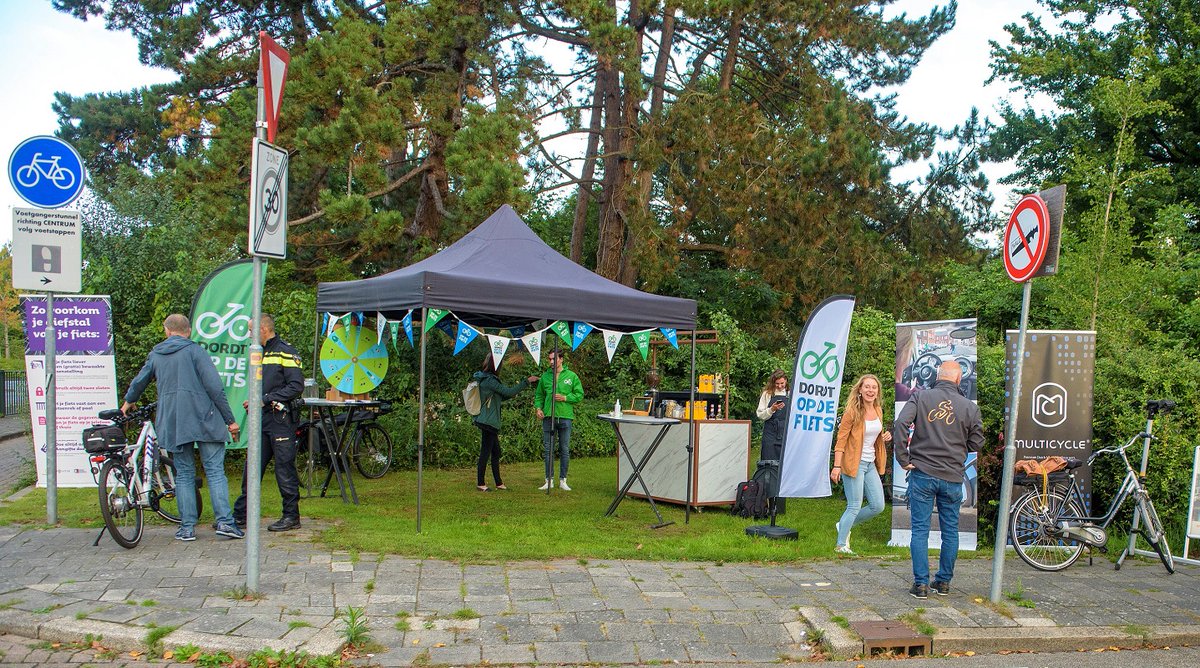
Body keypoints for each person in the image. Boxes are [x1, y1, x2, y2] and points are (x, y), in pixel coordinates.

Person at [121, 314, 242, 542]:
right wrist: (230, 420)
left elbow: (139, 381)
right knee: (215, 471)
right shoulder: (195, 351)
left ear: (167, 331)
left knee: (184, 474)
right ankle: (225, 523)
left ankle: (187, 528)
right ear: (189, 331)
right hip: (204, 417)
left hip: (174, 421)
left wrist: (128, 401)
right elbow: (215, 387)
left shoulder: (156, 354)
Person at [893, 360, 983, 599]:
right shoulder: (969, 407)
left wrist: (903, 457)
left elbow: (901, 423)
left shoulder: (921, 397)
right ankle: (943, 582)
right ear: (958, 379)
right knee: (950, 531)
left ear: (937, 375)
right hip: (952, 475)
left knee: (920, 530)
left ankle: (921, 584)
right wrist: (958, 445)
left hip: (922, 472)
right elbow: (977, 443)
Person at [233, 314, 305, 532]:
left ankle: (291, 516)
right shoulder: (259, 352)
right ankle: (241, 515)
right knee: (252, 467)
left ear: (263, 329)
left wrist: (265, 399)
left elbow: (296, 386)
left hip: (281, 420)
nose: (249, 335)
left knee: (284, 468)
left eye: (250, 330)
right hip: (262, 419)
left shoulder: (286, 351)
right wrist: (255, 400)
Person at [831, 374, 892, 554]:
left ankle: (843, 524)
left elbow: (873, 434)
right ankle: (841, 545)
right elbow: (841, 441)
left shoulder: (878, 410)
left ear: (877, 391)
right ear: (860, 389)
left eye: (874, 387)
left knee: (878, 506)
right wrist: (837, 466)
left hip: (870, 463)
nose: (870, 390)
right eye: (867, 387)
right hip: (853, 463)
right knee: (854, 505)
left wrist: (884, 436)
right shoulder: (852, 412)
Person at [473, 356, 539, 492]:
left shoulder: (485, 378)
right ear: (496, 365)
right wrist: (527, 381)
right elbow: (509, 392)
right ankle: (481, 483)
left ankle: (499, 483)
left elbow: (503, 395)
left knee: (496, 452)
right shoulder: (490, 380)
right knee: (486, 452)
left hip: (487, 419)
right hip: (488, 421)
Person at [533, 350, 584, 491]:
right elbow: (539, 395)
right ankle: (548, 480)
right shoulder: (545, 377)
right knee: (548, 449)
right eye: (549, 359)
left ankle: (563, 480)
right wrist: (538, 408)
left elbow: (579, 395)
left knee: (564, 449)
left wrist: (566, 398)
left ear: (561, 359)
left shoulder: (571, 376)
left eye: (554, 359)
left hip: (565, 417)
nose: (551, 362)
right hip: (548, 417)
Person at [755, 370, 789, 461]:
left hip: (786, 432)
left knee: (784, 461)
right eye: (777, 383)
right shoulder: (767, 394)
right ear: (773, 382)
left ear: (786, 381)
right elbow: (760, 415)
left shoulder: (791, 394)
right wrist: (772, 409)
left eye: (782, 383)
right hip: (770, 433)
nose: (780, 386)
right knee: (768, 461)